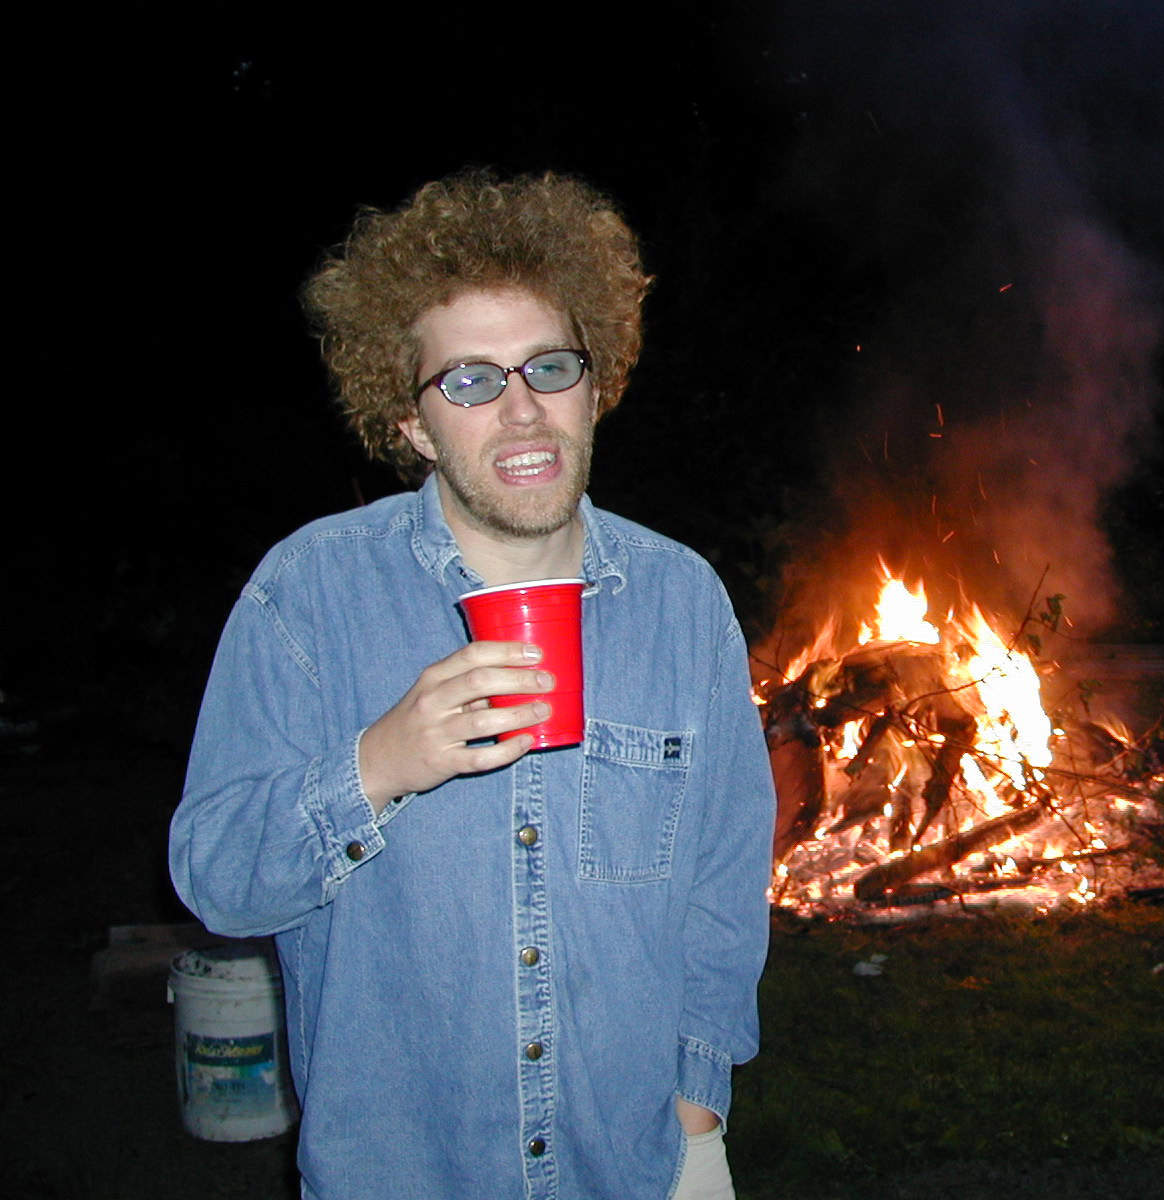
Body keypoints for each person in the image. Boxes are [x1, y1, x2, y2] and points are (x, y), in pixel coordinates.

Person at [169, 170, 776, 1200]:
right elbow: (217, 880)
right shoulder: (308, 595)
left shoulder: (681, 603)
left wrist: (696, 1115)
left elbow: (721, 888)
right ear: (412, 425)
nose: (522, 410)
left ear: (596, 386)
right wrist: (376, 766)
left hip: (634, 1171)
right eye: (469, 382)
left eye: (550, 367)